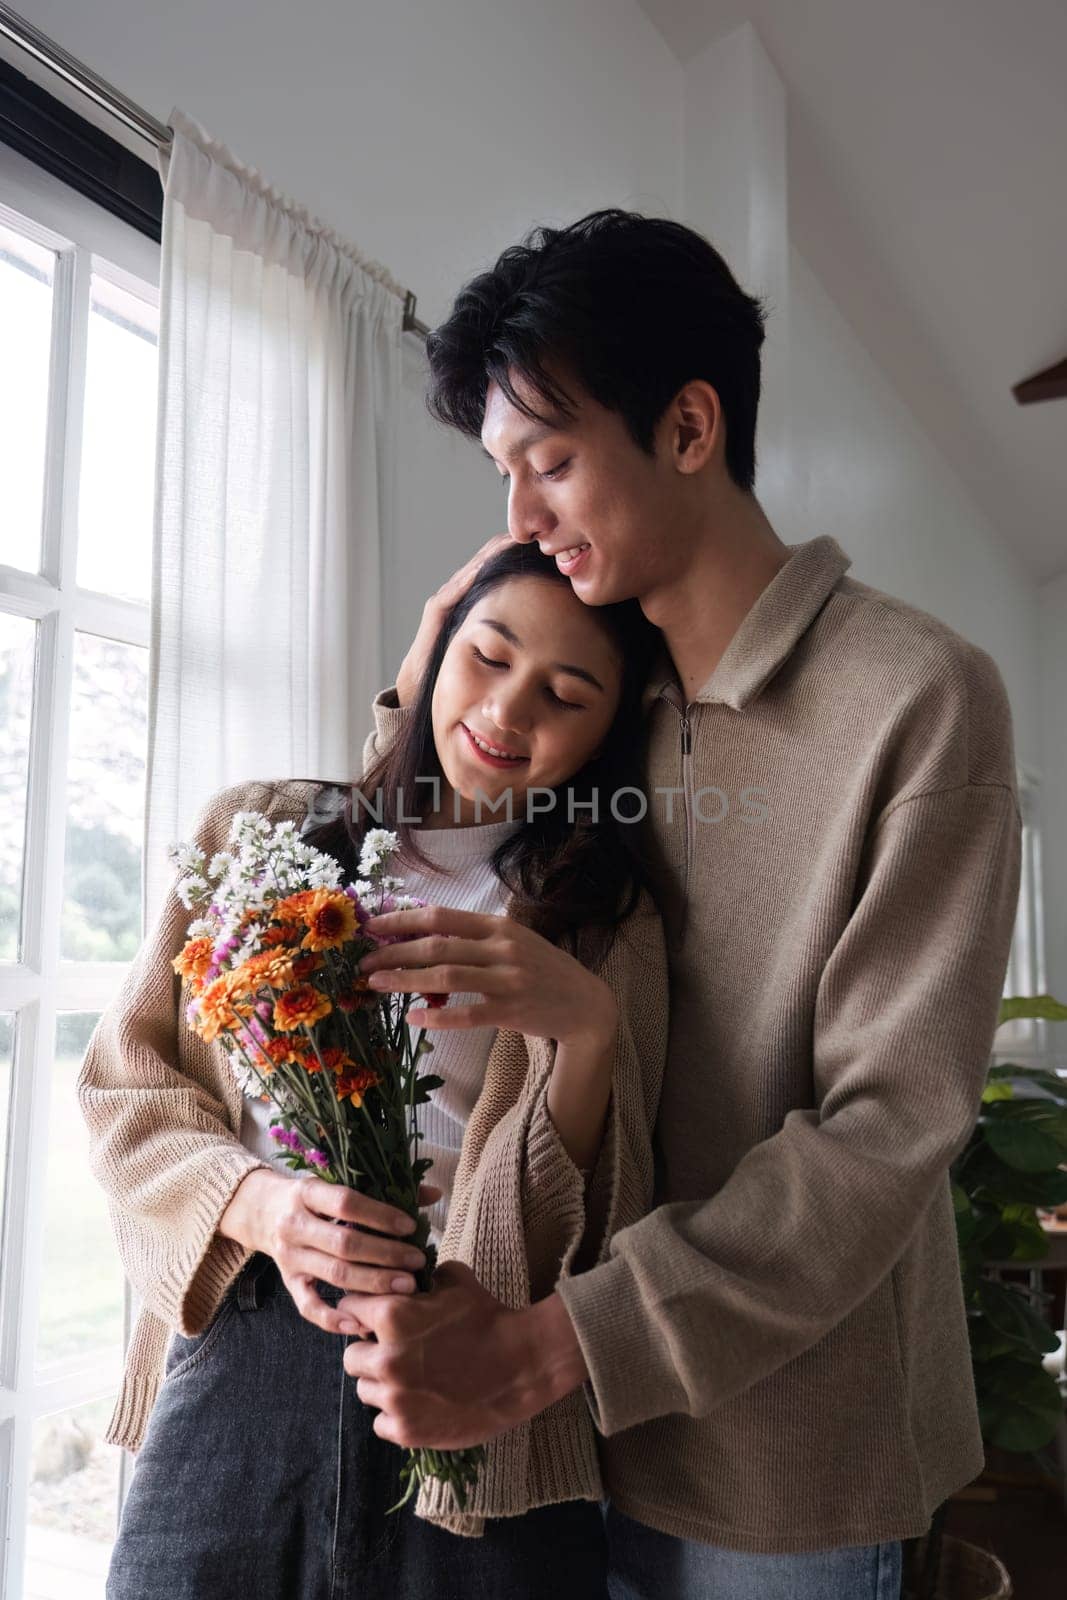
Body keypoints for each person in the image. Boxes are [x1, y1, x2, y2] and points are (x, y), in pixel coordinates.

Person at [342, 208, 1023, 1600]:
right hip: (564, 1440)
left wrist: (548, 1345)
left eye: (548, 463)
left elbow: (885, 1129)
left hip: (782, 1462)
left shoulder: (917, 697)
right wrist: (419, 672)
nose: (518, 520)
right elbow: (410, 838)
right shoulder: (599, 694)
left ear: (690, 429)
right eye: (501, 474)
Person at [77, 541, 670, 1599]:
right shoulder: (259, 830)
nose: (508, 710)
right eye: (486, 656)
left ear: (604, 736)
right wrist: (257, 1203)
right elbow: (126, 1087)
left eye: (564, 695)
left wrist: (583, 1032)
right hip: (245, 1344)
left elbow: (587, 1230)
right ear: (435, 647)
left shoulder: (602, 925)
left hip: (480, 1396)